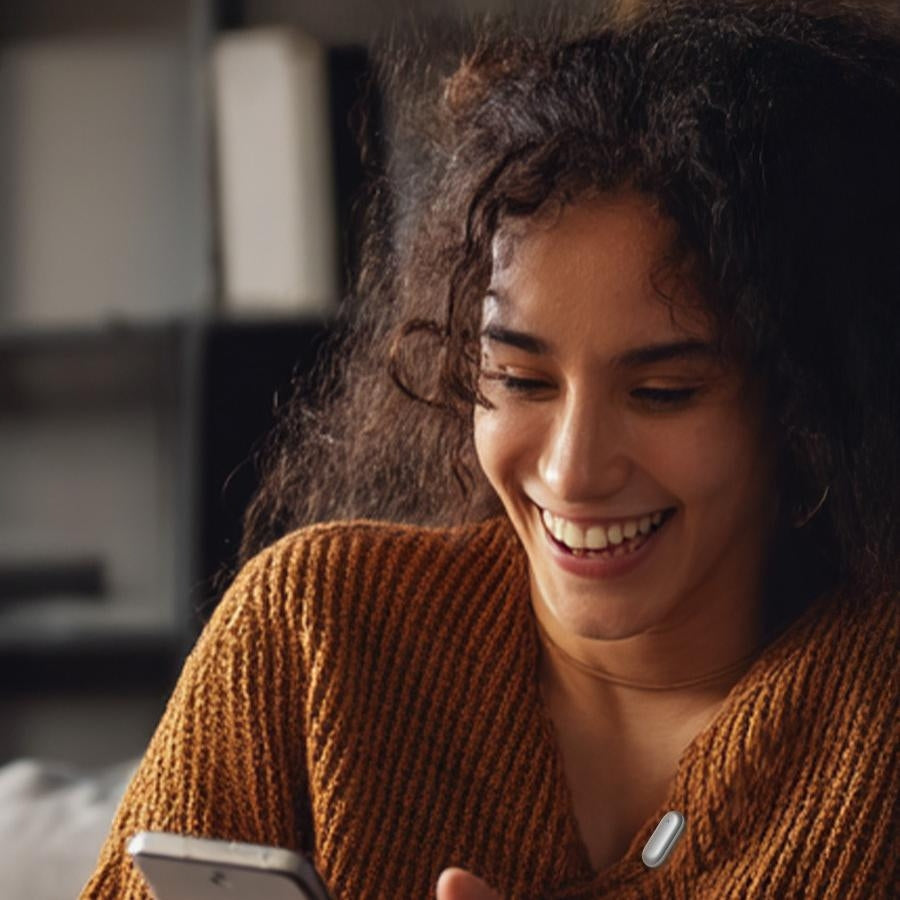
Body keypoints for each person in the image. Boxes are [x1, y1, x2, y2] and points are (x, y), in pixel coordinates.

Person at [82, 1, 899, 897]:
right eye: (520, 380)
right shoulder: (309, 639)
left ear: (811, 405)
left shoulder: (874, 723)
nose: (571, 471)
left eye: (663, 392)